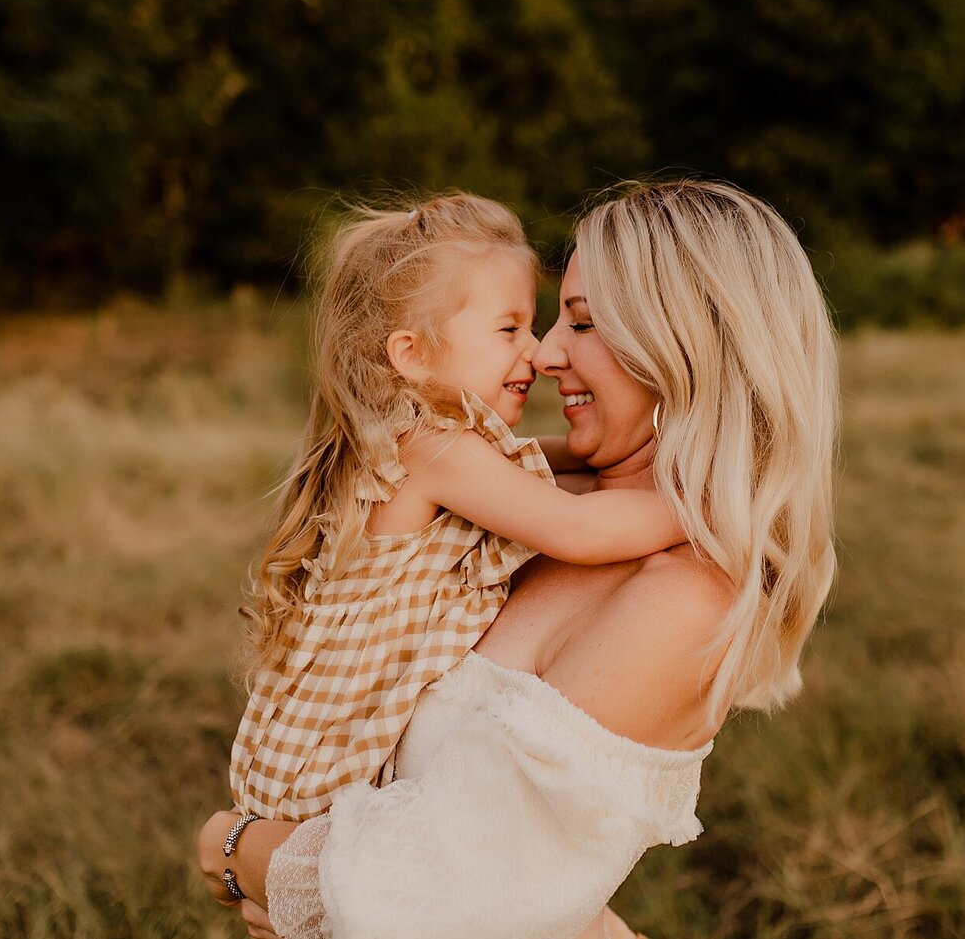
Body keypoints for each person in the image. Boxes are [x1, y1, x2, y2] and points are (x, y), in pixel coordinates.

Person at [200, 180, 840, 939]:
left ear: (685, 350)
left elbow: (428, 909)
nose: (546, 353)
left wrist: (237, 850)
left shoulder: (682, 598)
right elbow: (514, 868)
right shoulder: (522, 515)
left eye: (583, 322)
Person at [229, 192, 686, 834]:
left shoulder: (440, 444)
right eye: (509, 329)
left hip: (335, 750)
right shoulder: (432, 448)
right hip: (325, 762)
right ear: (412, 354)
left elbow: (561, 467)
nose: (536, 352)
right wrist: (707, 507)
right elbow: (576, 528)